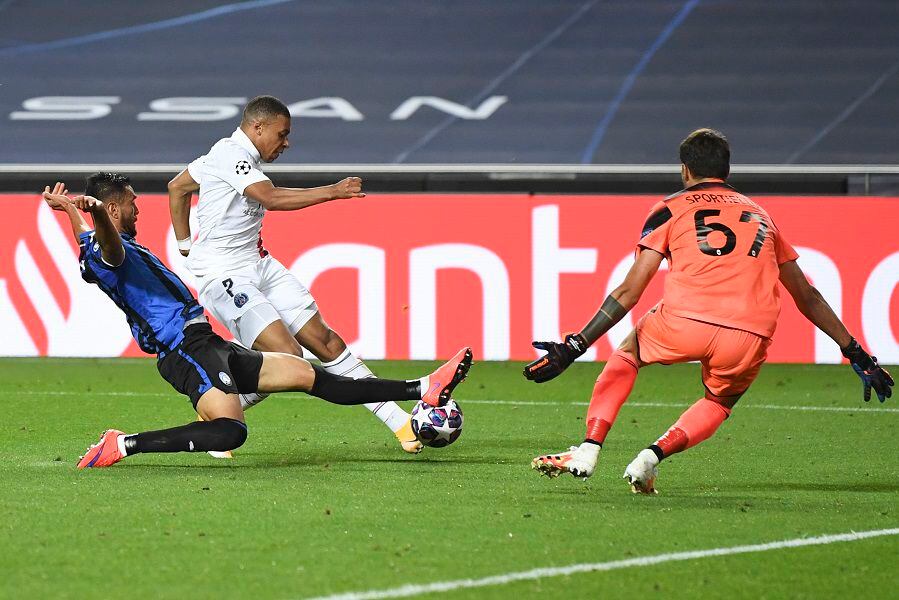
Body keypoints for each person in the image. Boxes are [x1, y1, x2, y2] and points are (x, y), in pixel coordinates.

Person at [526, 128, 893, 494]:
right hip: (749, 333)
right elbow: (807, 296)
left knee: (628, 353)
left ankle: (589, 449)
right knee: (719, 401)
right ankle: (651, 457)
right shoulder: (762, 216)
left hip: (685, 321)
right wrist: (855, 352)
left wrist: (576, 344)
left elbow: (630, 290)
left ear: (685, 170)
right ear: (727, 171)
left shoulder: (669, 208)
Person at [41, 175, 472, 469]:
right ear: (113, 209)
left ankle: (422, 387)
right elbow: (109, 246)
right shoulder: (108, 252)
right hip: (184, 351)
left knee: (307, 374)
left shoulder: (95, 243)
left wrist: (70, 211)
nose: (138, 208)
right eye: (132, 203)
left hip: (206, 342)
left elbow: (93, 235)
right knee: (230, 432)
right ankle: (124, 444)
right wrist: (96, 214)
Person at [167, 95, 423, 454]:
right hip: (225, 276)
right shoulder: (230, 154)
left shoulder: (225, 157)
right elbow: (270, 198)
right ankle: (219, 414)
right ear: (258, 127)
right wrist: (333, 191)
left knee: (326, 342)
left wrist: (184, 244)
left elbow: (177, 187)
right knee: (287, 355)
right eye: (282, 134)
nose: (286, 143)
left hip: (260, 265)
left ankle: (400, 423)